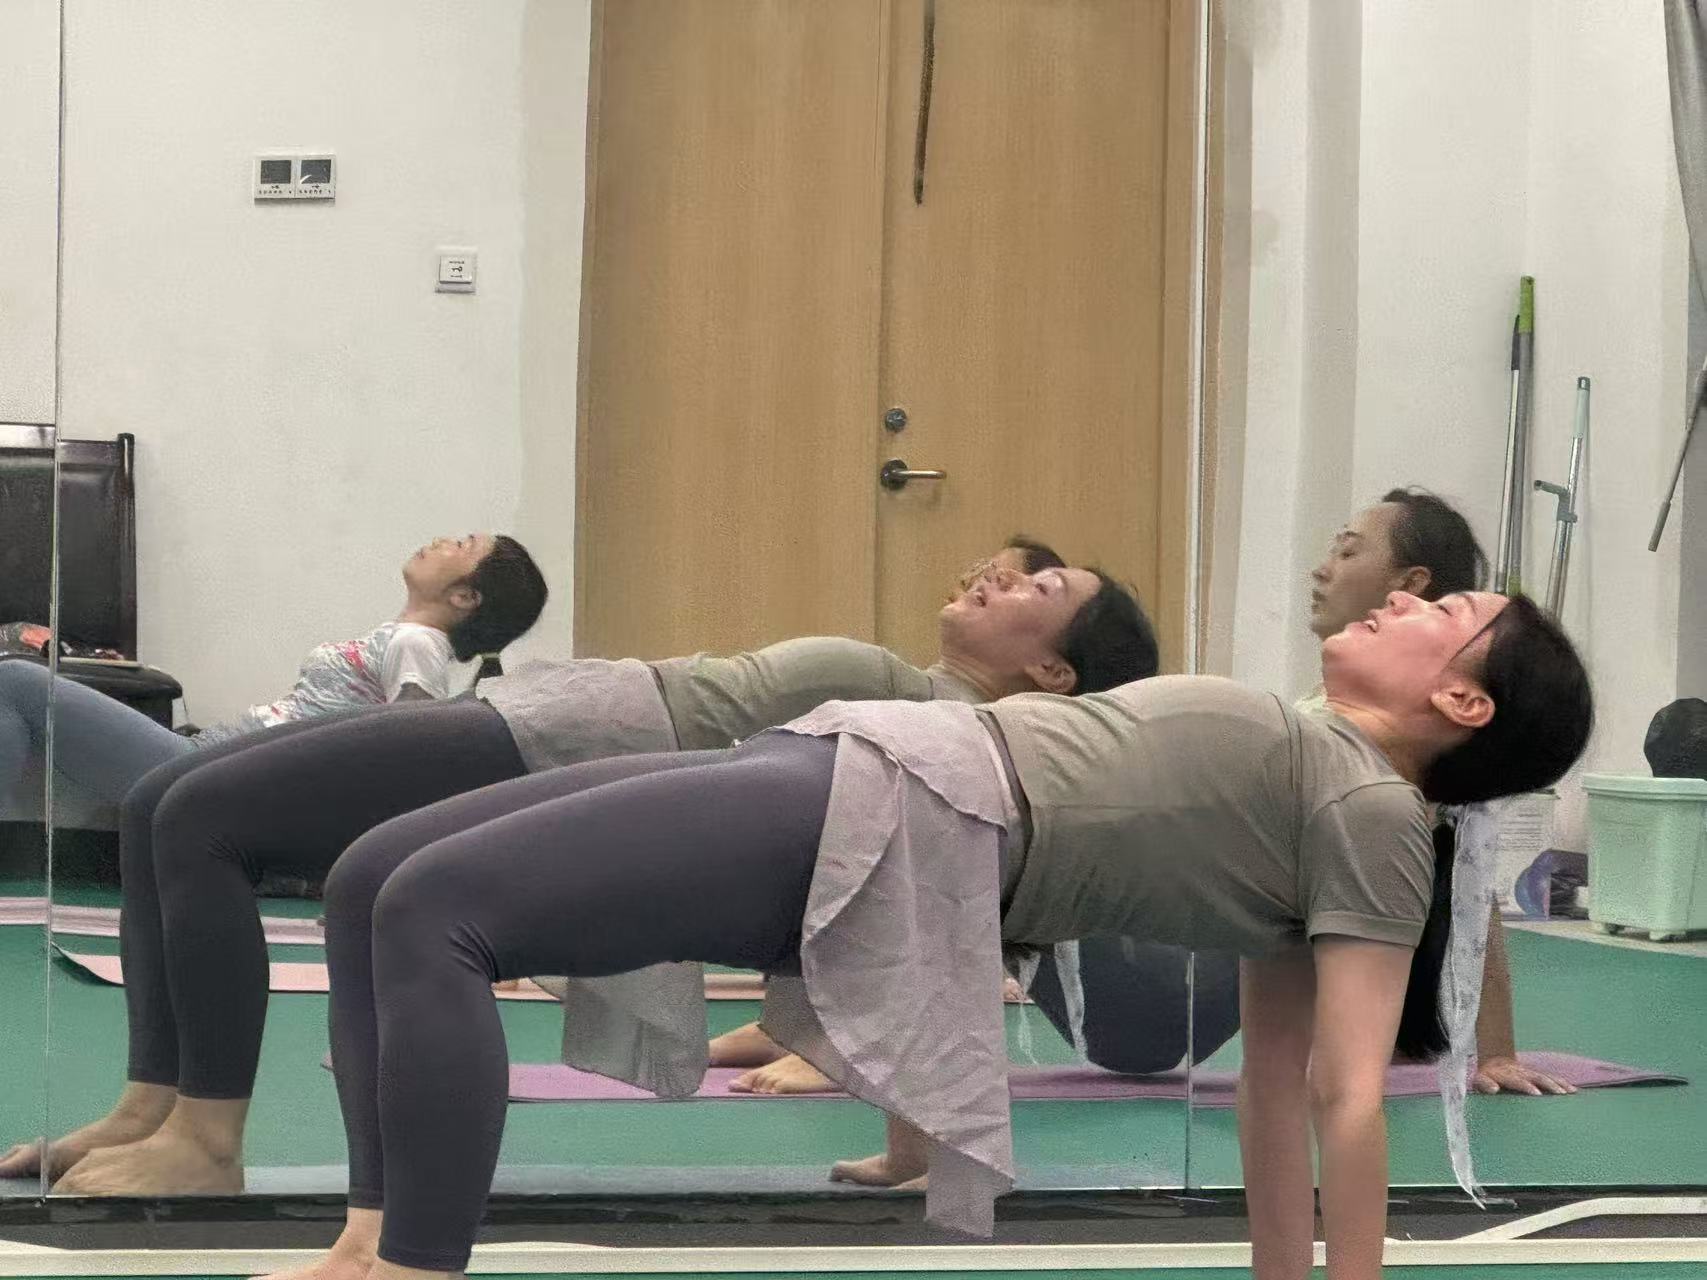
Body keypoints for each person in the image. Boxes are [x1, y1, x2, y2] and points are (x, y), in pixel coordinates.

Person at [255, 584, 1590, 1280]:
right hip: (871, 763)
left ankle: (413, 1267)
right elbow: (1265, 1092)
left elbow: (1329, 1094)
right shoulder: (1316, 752)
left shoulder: (1368, 809)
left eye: (1445, 615)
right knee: (373, 876)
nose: (1403, 601)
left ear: (1463, 704)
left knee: (435, 909)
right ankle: (370, 1241)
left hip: (901, 818)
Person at [15, 539, 1156, 1194]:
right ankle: (147, 1107)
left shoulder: (946, 739)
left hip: (572, 743)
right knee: (162, 801)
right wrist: (909, 1152)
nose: (998, 574)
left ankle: (206, 1141)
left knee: (204, 814)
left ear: (1056, 675)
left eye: (1037, 588)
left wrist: (920, 1135)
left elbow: (911, 916)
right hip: (564, 708)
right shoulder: (914, 689)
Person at [1015, 488, 1571, 1098]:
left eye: (1349, 552)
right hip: (1162, 977)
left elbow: (1471, 888)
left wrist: (1497, 1051)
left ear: (1410, 583)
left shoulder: (1412, 754)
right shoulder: (1334, 716)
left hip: (1171, 991)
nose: (1322, 569)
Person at [0, 533, 549, 809]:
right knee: (12, 694)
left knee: (16, 679)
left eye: (463, 545)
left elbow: (409, 755)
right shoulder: (405, 640)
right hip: (210, 761)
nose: (442, 541)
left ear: (465, 596)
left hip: (206, 776)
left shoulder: (417, 644)